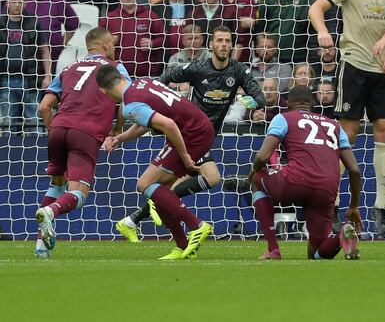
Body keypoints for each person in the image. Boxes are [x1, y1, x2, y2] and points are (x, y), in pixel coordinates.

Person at [115, 25, 266, 241]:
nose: (224, 44)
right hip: (190, 132)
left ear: (232, 45)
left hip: (206, 135)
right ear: (211, 45)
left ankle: (132, 220)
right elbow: (168, 75)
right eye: (220, 40)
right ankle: (180, 227)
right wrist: (155, 91)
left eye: (227, 41)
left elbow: (257, 93)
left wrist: (256, 101)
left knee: (169, 186)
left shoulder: (239, 70)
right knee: (211, 178)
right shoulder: (198, 67)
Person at [309, 0, 385, 239]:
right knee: (347, 134)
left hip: (384, 69)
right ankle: (334, 203)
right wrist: (323, 31)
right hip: (353, 67)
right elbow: (316, 9)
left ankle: (380, 206)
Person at [97, 66, 215, 260]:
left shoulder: (130, 105)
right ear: (120, 77)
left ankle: (197, 226)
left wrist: (184, 156)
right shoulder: (143, 82)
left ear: (103, 91)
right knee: (159, 194)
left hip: (192, 134)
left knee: (145, 183)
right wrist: (119, 139)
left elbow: (168, 125)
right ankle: (182, 246)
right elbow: (146, 122)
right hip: (197, 127)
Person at [34, 27, 128, 258]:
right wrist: (117, 129)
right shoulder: (114, 67)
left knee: (57, 183)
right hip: (84, 132)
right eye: (113, 45)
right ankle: (50, 211)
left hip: (58, 127)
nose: (114, 49)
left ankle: (41, 248)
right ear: (105, 46)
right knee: (79, 195)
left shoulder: (68, 68)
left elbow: (44, 107)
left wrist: (53, 129)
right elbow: (128, 98)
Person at [248, 86, 362, 260]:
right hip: (327, 189)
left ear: (288, 104)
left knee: (256, 180)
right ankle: (340, 237)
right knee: (316, 254)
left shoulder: (283, 118)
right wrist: (354, 206)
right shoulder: (335, 126)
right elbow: (354, 170)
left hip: (295, 181)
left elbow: (262, 156)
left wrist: (255, 171)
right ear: (313, 104)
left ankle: (273, 249)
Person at [0, 0, 51, 135]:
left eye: (20, 2)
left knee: (34, 122)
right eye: (13, 2)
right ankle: (6, 157)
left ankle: (39, 155)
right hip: (5, 80)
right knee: (7, 125)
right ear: (7, 3)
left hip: (30, 80)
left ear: (25, 4)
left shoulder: (34, 23)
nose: (17, 5)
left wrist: (48, 76)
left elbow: (44, 50)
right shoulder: (1, 23)